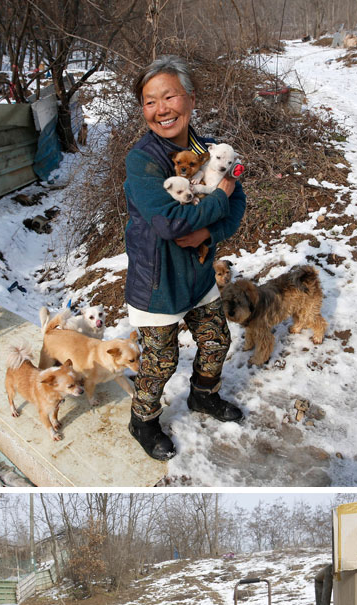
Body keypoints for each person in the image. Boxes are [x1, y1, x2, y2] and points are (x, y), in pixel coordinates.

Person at [124, 54, 247, 462]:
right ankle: (142, 420)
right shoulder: (142, 161)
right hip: (156, 282)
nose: (161, 109)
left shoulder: (211, 150)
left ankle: (203, 397)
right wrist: (219, 198)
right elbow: (170, 225)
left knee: (217, 341)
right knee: (160, 362)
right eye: (149, 101)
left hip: (197, 272)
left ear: (190, 99)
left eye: (169, 96)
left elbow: (238, 201)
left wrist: (208, 230)